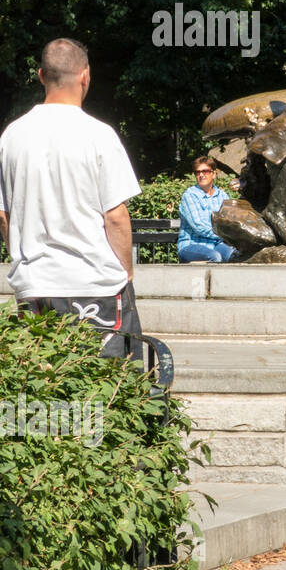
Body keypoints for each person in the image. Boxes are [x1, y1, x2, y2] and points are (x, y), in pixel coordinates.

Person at [0, 39, 143, 358]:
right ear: (85, 76)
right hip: (95, 285)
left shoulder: (12, 136)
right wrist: (126, 275)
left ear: (40, 76)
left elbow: (3, 214)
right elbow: (116, 215)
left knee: (44, 383)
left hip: (35, 285)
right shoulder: (99, 135)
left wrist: (22, 258)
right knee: (110, 389)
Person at [178, 156, 237, 262]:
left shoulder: (223, 196)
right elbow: (199, 226)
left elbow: (229, 222)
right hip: (191, 245)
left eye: (205, 171)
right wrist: (225, 235)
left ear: (214, 174)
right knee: (215, 256)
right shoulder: (190, 195)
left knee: (234, 255)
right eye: (197, 172)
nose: (201, 175)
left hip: (217, 244)